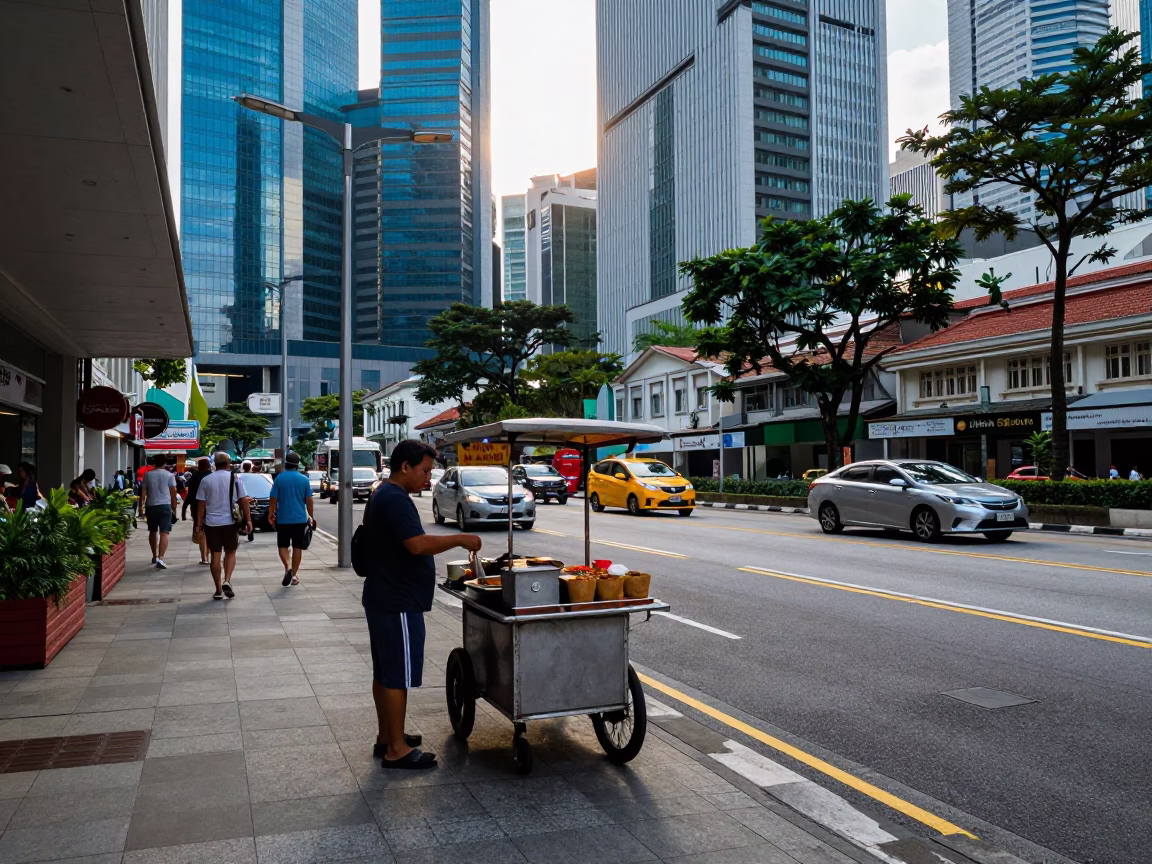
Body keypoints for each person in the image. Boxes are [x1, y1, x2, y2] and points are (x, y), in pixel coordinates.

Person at [363, 440, 481, 769]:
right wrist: (460, 538)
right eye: (425, 471)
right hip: (397, 599)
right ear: (405, 467)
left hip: (385, 596)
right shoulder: (394, 499)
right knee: (396, 675)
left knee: (385, 671)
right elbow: (416, 545)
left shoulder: (383, 493)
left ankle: (387, 736)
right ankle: (396, 750)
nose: (429, 478)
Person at [195, 452, 252, 599]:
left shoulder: (206, 480)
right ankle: (227, 580)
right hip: (230, 522)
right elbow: (243, 500)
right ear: (228, 463)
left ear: (215, 464)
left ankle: (218, 589)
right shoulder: (235, 478)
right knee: (231, 552)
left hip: (211, 523)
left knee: (215, 554)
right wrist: (249, 520)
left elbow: (201, 504)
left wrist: (198, 524)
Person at [268, 451, 316, 587]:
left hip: (283, 519)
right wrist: (311, 517)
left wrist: (271, 514)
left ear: (286, 463)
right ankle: (294, 575)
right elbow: (309, 501)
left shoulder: (279, 479)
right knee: (297, 547)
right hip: (300, 519)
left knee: (282, 546)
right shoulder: (304, 480)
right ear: (297, 465)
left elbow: (273, 499)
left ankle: (288, 567)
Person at [139, 454, 177, 569]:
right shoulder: (169, 475)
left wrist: (141, 506)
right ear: (165, 463)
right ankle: (161, 558)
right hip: (165, 506)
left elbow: (143, 491)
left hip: (151, 506)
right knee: (164, 533)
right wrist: (174, 507)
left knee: (152, 531)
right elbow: (173, 493)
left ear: (154, 463)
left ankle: (154, 556)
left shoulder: (148, 475)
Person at [184, 457, 212, 565]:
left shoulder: (195, 477)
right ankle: (208, 555)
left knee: (201, 531)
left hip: (197, 508)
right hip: (211, 507)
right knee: (210, 532)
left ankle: (204, 557)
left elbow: (190, 495)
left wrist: (184, 509)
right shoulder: (212, 476)